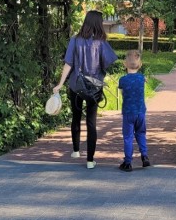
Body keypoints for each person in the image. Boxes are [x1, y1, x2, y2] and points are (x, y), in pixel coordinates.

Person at [53, 10, 118, 169]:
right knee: (91, 122)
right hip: (93, 87)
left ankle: (76, 150)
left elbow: (68, 63)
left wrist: (60, 83)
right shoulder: (101, 42)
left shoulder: (75, 40)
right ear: (98, 23)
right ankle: (90, 160)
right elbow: (108, 62)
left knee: (76, 117)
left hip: (76, 85)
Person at [117, 50, 150, 172]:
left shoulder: (122, 80)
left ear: (124, 64)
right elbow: (145, 80)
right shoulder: (142, 78)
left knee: (128, 137)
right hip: (141, 112)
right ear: (140, 64)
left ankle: (128, 162)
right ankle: (144, 156)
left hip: (128, 113)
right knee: (141, 133)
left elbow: (121, 91)